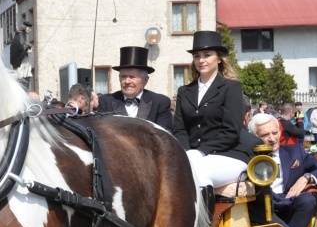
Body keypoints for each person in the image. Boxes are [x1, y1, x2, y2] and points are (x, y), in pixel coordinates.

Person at [173, 31, 250, 190]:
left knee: (197, 172)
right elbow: (180, 129)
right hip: (193, 156)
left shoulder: (231, 88)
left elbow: (231, 131)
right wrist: (188, 153)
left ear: (219, 58)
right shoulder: (184, 91)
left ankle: (206, 216)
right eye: (196, 56)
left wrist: (201, 152)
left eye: (207, 55)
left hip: (229, 154)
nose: (201, 60)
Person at [97, 46, 172, 131]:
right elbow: (100, 134)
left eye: (132, 77)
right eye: (123, 76)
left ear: (145, 81)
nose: (127, 81)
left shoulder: (160, 103)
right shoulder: (106, 102)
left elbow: (164, 137)